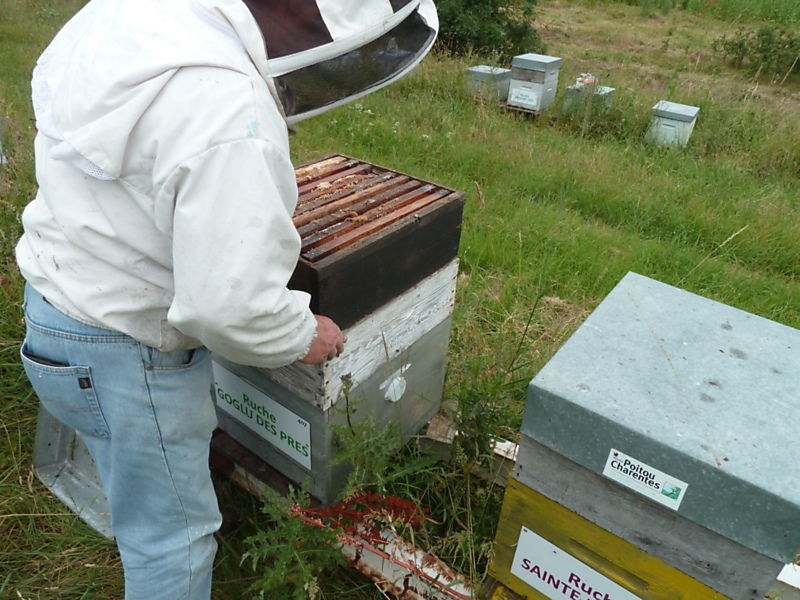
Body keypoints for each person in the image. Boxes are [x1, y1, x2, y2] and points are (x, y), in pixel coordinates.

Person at [15, 0, 438, 599]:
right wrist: (300, 333)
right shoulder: (226, 109)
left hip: (55, 310)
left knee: (137, 488)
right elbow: (229, 307)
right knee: (172, 541)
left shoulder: (131, 15)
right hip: (127, 353)